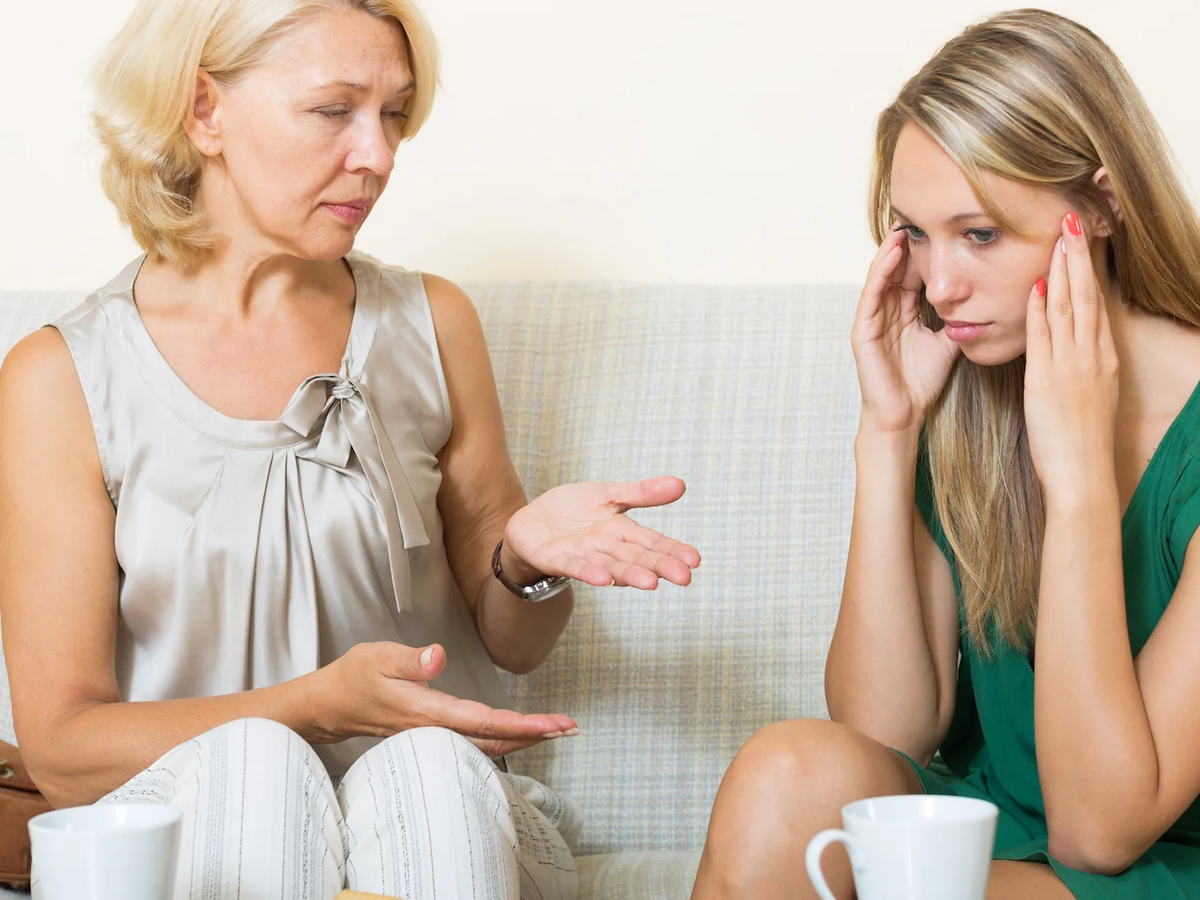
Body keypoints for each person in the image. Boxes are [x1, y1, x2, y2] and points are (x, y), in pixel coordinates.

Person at [0, 1, 701, 898]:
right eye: (334, 110)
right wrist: (308, 710)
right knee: (254, 761)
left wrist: (525, 563)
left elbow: (516, 645)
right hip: (198, 818)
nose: (379, 154)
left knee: (427, 763)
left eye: (394, 113)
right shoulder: (63, 377)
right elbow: (62, 751)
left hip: (436, 816)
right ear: (204, 111)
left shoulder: (433, 323)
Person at [690, 9, 1200, 900]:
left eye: (981, 234)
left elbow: (1098, 833)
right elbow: (884, 731)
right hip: (994, 824)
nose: (939, 284)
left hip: (1152, 860)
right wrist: (889, 431)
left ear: (1103, 204)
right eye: (917, 234)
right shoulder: (977, 388)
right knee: (785, 773)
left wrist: (1078, 477)